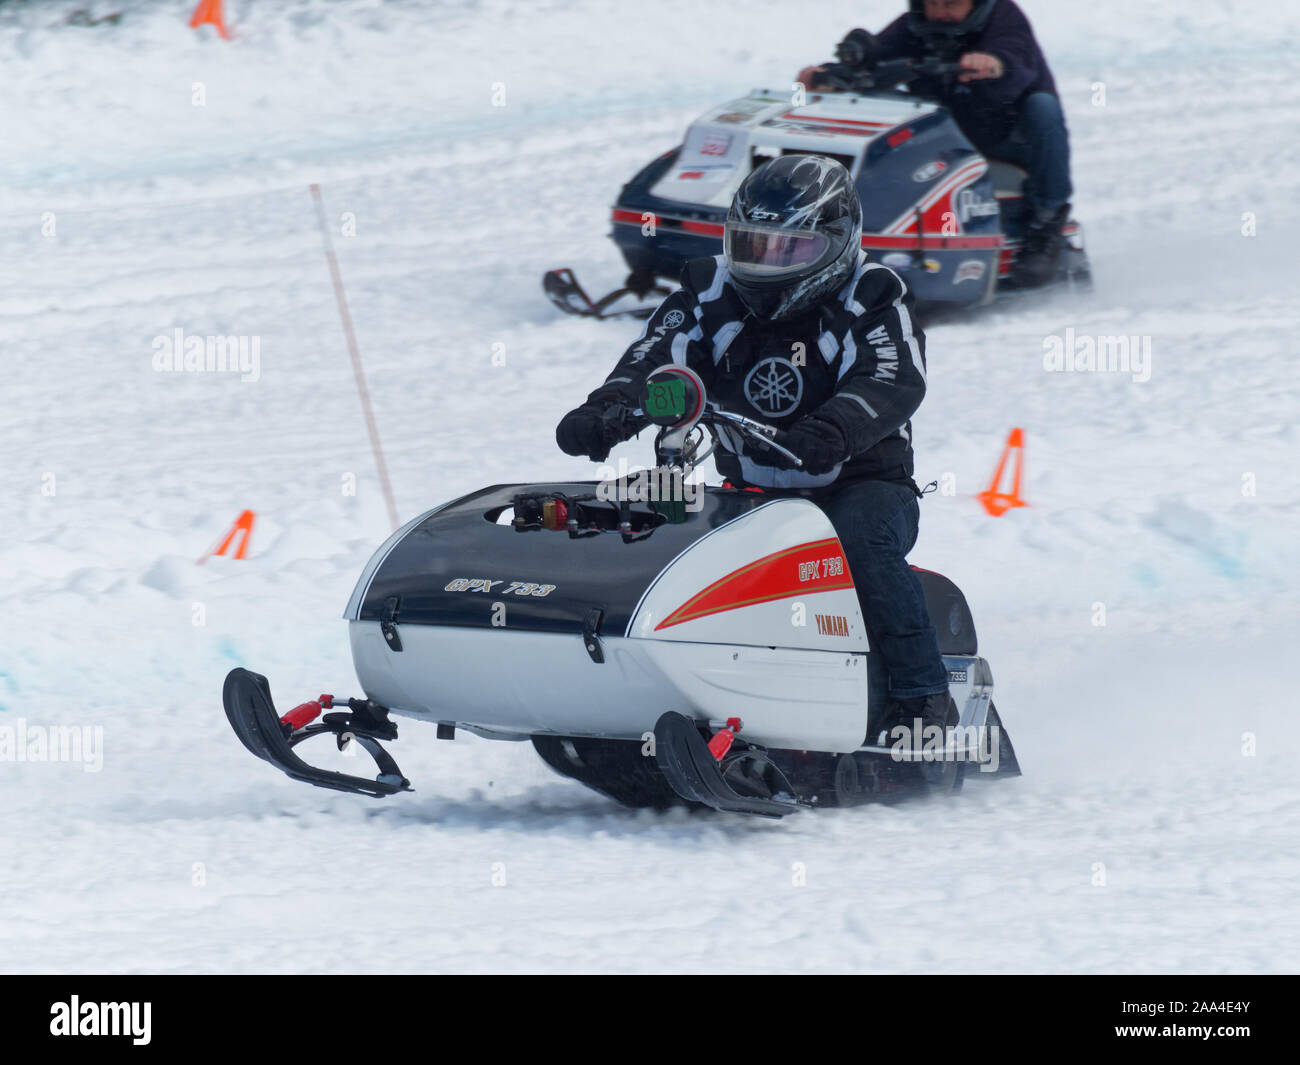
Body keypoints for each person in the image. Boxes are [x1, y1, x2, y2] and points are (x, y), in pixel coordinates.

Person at [555, 155, 953, 742]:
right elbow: (658, 355)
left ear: (836, 242)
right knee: (657, 531)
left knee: (859, 542)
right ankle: (653, 680)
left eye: (787, 249)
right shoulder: (708, 288)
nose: (766, 263)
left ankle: (923, 700)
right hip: (751, 488)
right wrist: (609, 410)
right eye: (752, 245)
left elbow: (891, 379)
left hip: (860, 483)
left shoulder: (871, 293)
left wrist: (832, 430)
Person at [797, 0, 1072, 287]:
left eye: (950, 4)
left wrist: (994, 62)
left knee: (1043, 106)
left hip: (1006, 139)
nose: (940, 12)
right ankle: (858, 215)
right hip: (948, 135)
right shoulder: (914, 26)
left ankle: (1046, 222)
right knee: (878, 106)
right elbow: (872, 61)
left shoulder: (1004, 18)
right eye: (933, 3)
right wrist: (827, 75)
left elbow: (1016, 56)